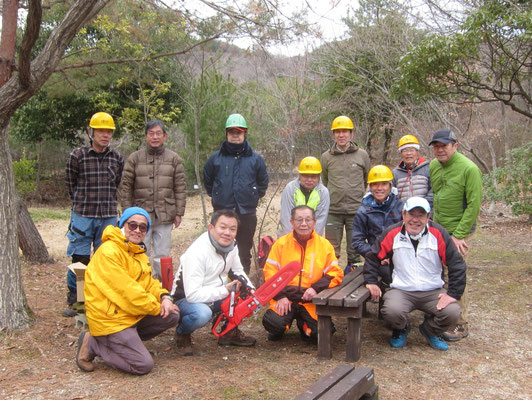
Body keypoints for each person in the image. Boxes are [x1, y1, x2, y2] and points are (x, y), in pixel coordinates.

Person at [75, 207, 180, 375]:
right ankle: (94, 343)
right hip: (110, 319)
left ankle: (125, 342)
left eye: (143, 227)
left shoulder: (137, 252)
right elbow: (128, 294)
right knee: (143, 365)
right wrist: (156, 307)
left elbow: (149, 283)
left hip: (127, 314)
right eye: (132, 225)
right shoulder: (109, 252)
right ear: (122, 225)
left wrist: (164, 296)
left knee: (171, 315)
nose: (137, 230)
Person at [363, 197, 466, 351]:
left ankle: (430, 330)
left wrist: (453, 293)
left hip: (433, 291)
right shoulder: (392, 233)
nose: (415, 220)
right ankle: (401, 328)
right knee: (391, 310)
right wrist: (371, 281)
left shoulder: (438, 233)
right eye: (411, 214)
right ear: (403, 215)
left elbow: (456, 264)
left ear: (428, 217)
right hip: (402, 290)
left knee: (452, 311)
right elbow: (372, 257)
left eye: (420, 215)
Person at [171, 209, 257, 356]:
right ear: (211, 228)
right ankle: (182, 333)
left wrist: (253, 292)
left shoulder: (232, 245)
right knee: (202, 314)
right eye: (222, 227)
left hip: (216, 291)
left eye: (232, 229)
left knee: (246, 296)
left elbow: (238, 271)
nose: (227, 233)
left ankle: (228, 332)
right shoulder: (197, 252)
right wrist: (225, 290)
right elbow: (192, 295)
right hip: (185, 299)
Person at [64, 112, 124, 314]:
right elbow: (70, 185)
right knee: (80, 259)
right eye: (100, 131)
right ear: (90, 132)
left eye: (109, 132)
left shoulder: (116, 158)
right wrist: (81, 203)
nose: (105, 135)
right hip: (83, 214)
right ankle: (77, 299)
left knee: (104, 259)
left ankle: (99, 297)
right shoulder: (77, 156)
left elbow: (116, 184)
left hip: (107, 215)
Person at [429, 129, 482, 341]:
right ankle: (441, 315)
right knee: (436, 272)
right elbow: (436, 198)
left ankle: (460, 323)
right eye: (436, 146)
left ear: (455, 145)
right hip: (438, 229)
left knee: (455, 275)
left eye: (444, 145)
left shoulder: (469, 169)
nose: (440, 149)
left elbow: (474, 205)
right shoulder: (433, 166)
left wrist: (458, 235)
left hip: (459, 231)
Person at [262, 205, 343, 342]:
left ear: (315, 222)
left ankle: (304, 324)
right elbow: (269, 272)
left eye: (308, 219)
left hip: (309, 300)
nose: (303, 224)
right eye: (299, 220)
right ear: (292, 222)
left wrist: (315, 288)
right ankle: (283, 325)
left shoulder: (324, 245)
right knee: (273, 323)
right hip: (285, 298)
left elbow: (335, 273)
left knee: (322, 334)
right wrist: (280, 296)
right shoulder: (280, 244)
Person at [119, 119, 186, 280]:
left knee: (162, 255)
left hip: (165, 214)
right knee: (140, 252)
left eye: (158, 133)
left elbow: (180, 187)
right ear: (146, 136)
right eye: (151, 133)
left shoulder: (174, 159)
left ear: (164, 136)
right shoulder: (135, 158)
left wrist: (179, 212)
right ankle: (140, 284)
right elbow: (125, 187)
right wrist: (128, 214)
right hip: (140, 216)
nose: (155, 137)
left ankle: (163, 288)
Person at [203, 114, 269, 275]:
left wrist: (252, 196)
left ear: (244, 134)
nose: (235, 135)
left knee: (243, 251)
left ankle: (241, 285)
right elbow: (208, 181)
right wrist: (219, 196)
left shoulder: (256, 159)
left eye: (238, 132)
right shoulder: (215, 159)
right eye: (231, 132)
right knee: (218, 249)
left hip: (246, 212)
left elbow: (263, 183)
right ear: (226, 133)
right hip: (222, 212)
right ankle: (218, 284)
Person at [321, 115, 370, 268]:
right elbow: (325, 180)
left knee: (355, 249)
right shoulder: (326, 157)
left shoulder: (362, 155)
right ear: (333, 135)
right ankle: (331, 279)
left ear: (351, 134)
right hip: (333, 211)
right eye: (337, 132)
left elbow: (366, 178)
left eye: (345, 131)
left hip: (356, 211)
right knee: (331, 249)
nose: (341, 135)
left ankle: (353, 281)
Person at [352, 165, 403, 259]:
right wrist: (377, 254)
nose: (379, 188)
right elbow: (357, 241)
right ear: (370, 186)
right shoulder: (363, 211)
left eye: (384, 184)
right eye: (375, 184)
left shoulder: (401, 207)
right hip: (376, 258)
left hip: (401, 257)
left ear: (391, 186)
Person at [277, 156, 330, 238]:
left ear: (319, 177)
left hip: (312, 237)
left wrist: (311, 241)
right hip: (288, 236)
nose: (309, 180)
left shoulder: (323, 192)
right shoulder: (290, 189)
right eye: (305, 176)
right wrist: (292, 241)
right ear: (300, 175)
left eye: (313, 176)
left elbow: (319, 222)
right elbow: (286, 218)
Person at [392, 135, 433, 207]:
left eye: (411, 150)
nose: (408, 153)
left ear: (417, 152)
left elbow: (433, 191)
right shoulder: (395, 173)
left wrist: (423, 206)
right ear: (401, 153)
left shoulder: (428, 168)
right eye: (405, 150)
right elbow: (392, 194)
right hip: (403, 213)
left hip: (424, 212)